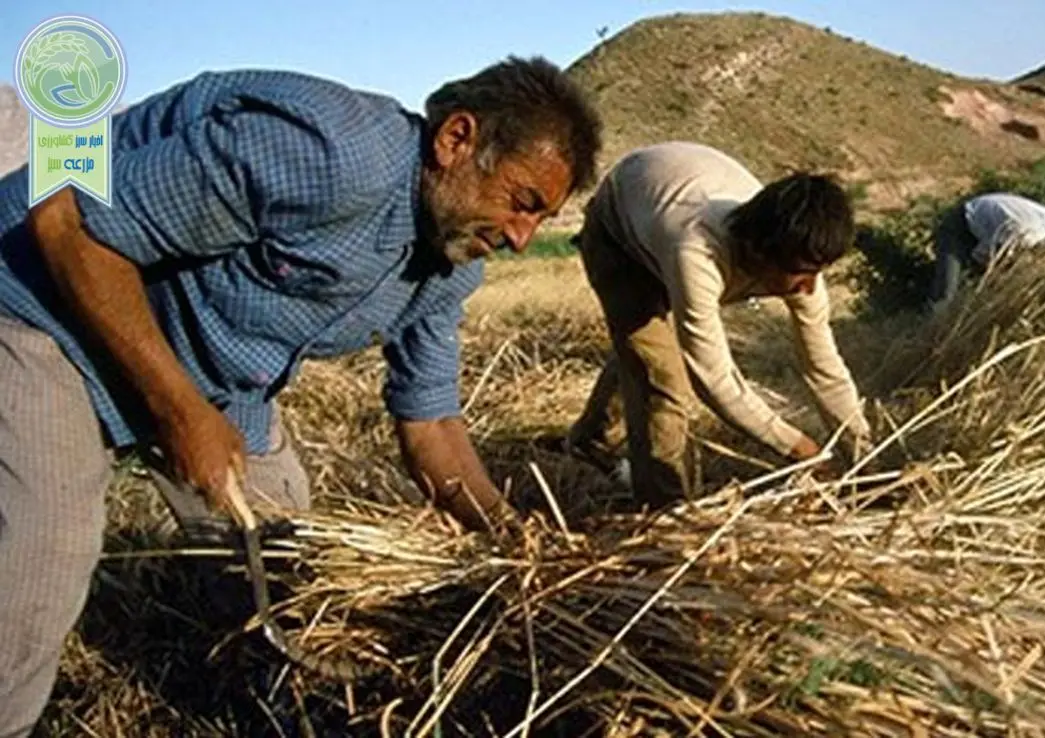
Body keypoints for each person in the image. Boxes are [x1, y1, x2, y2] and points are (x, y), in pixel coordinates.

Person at [0, 57, 601, 736]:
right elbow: (67, 222)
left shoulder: (450, 269)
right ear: (456, 139)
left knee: (283, 556)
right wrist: (178, 410)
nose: (522, 239)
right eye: (523, 203)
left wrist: (522, 545)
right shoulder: (328, 154)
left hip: (210, 362)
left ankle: (255, 698)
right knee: (42, 560)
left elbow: (431, 424)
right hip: (46, 304)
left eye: (541, 218)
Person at [557, 141, 873, 508]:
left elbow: (824, 369)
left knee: (647, 348)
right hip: (618, 237)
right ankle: (665, 513)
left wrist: (862, 456)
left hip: (663, 212)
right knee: (662, 376)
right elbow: (714, 381)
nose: (809, 288)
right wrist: (799, 449)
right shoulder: (697, 252)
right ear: (760, 254)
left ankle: (590, 438)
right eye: (801, 275)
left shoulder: (797, 250)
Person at [927, 192, 1045, 311]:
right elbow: (986, 258)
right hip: (960, 224)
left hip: (988, 216)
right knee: (947, 291)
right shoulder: (1027, 233)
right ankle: (931, 332)